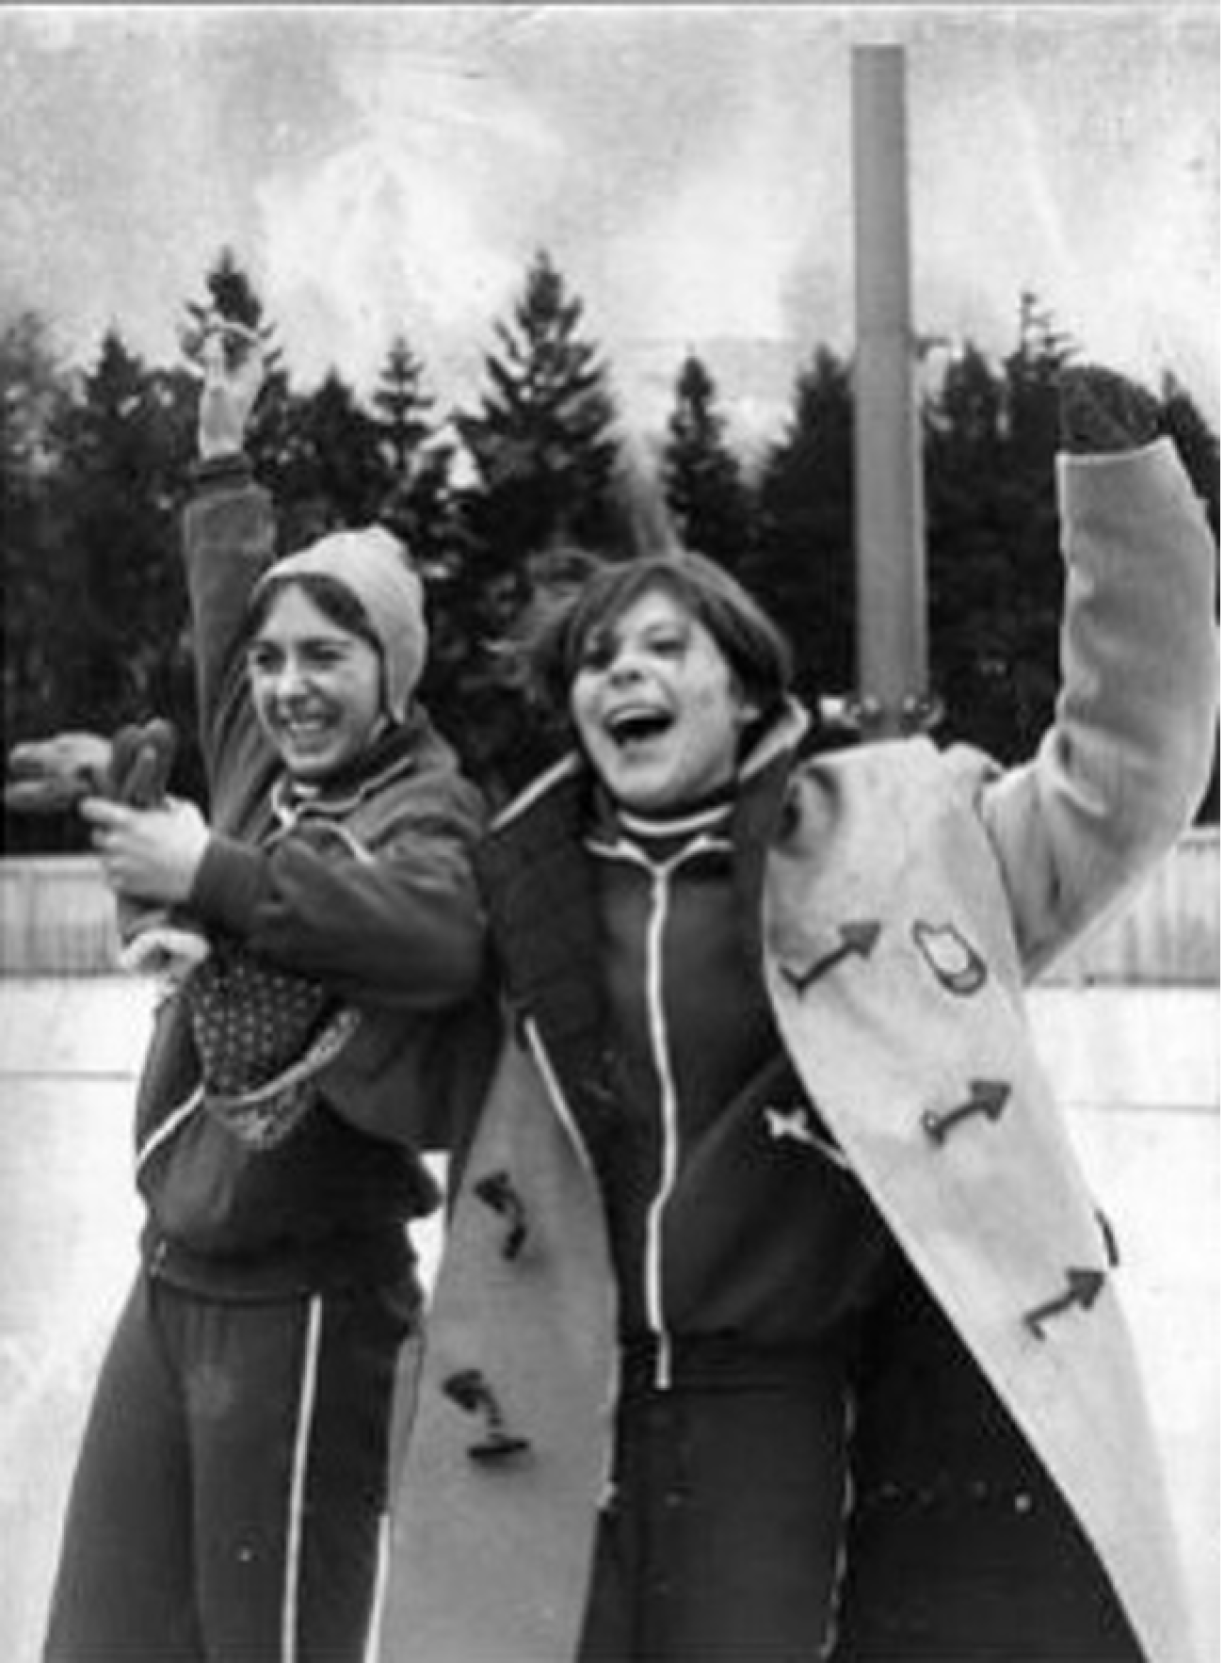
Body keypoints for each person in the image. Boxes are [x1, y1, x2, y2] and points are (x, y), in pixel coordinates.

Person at [379, 366, 1219, 1663]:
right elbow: (400, 1084)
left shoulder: (897, 839)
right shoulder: (518, 888)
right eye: (598, 657)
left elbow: (1121, 775)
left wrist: (1124, 510)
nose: (625, 671)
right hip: (549, 1408)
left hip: (766, 1410)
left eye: (667, 647)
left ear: (747, 688)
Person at [41, 323, 489, 1662]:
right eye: (275, 661)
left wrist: (213, 876)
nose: (288, 686)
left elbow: (436, 934)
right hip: (171, 1277)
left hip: (309, 1300)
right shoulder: (263, 771)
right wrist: (223, 453)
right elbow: (226, 603)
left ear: (393, 672)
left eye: (327, 657)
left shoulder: (425, 805)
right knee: (104, 1639)